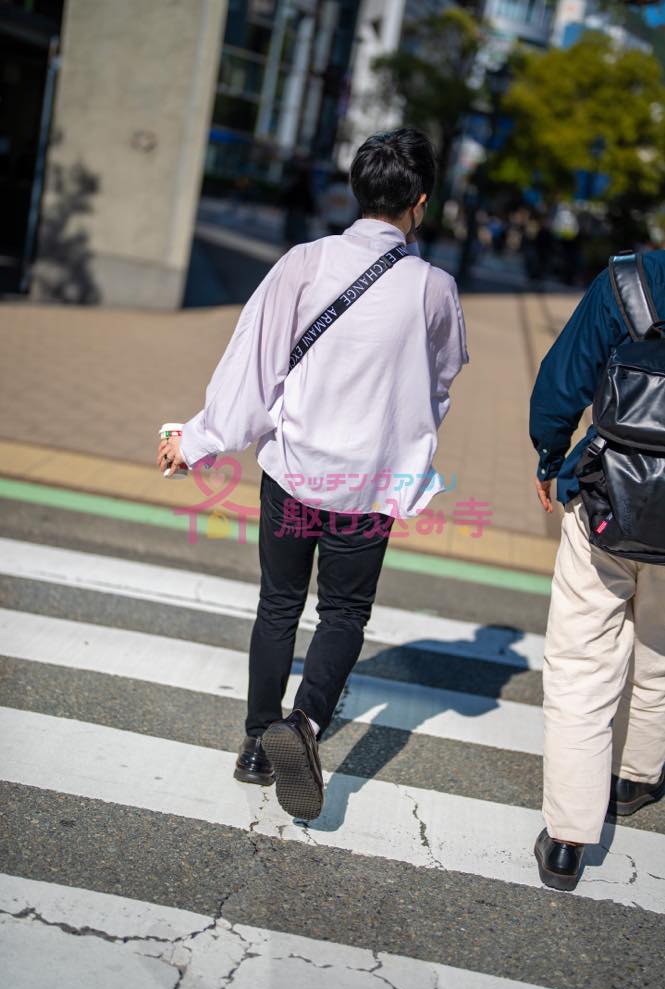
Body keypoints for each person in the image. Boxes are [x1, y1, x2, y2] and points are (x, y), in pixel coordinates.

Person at [158, 128, 468, 821]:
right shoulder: (435, 289)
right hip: (368, 489)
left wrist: (199, 441)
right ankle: (303, 724)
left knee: (278, 604)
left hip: (295, 474)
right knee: (344, 613)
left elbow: (253, 366)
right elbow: (438, 385)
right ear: (420, 201)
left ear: (354, 191)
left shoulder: (303, 264)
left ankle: (253, 745)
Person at [529, 250, 665, 891]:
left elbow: (564, 382)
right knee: (661, 651)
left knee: (583, 662)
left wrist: (552, 456)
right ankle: (638, 776)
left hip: (610, 500)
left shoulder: (631, 281)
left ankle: (567, 838)